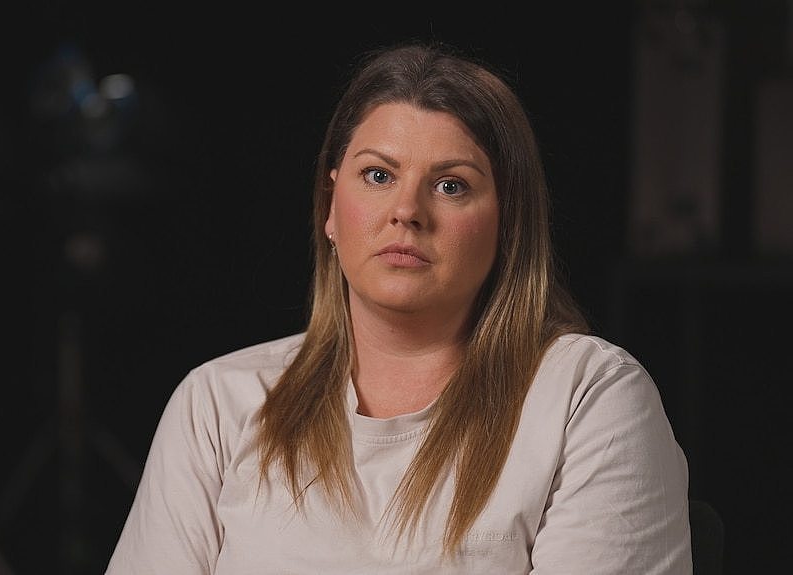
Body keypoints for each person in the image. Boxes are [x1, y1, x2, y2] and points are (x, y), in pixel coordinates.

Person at [104, 41, 692, 574]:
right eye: (378, 175)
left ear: (510, 223)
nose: (406, 210)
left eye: (451, 185)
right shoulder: (216, 405)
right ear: (330, 207)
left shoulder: (588, 398)